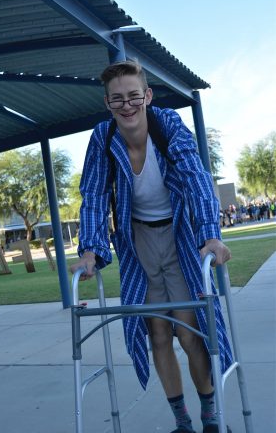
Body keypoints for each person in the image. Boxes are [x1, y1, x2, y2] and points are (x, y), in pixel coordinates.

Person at [71, 61, 232, 433]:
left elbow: (195, 174)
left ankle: (210, 415)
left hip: (179, 234)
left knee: (189, 332)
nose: (126, 106)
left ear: (147, 96)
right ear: (108, 103)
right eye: (117, 100)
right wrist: (91, 248)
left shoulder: (168, 124)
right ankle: (182, 422)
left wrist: (211, 233)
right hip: (137, 238)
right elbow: (93, 194)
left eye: (133, 97)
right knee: (157, 334)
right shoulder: (102, 137)